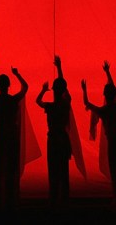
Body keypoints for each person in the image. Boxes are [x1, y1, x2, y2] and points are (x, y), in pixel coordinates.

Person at [83, 61, 116, 209]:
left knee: (115, 170)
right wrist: (108, 73)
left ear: (105, 95)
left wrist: (84, 89)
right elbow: (113, 89)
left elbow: (87, 103)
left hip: (115, 143)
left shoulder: (104, 111)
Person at [0, 51, 29, 211]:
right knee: (11, 167)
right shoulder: (12, 100)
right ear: (8, 85)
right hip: (11, 136)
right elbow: (26, 88)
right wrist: (17, 74)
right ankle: (11, 199)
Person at [36, 56, 74, 208]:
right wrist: (59, 68)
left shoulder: (51, 107)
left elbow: (38, 101)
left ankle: (53, 202)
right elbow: (63, 86)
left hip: (53, 140)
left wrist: (43, 90)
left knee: (53, 171)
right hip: (63, 140)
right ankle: (64, 201)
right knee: (63, 171)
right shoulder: (65, 104)